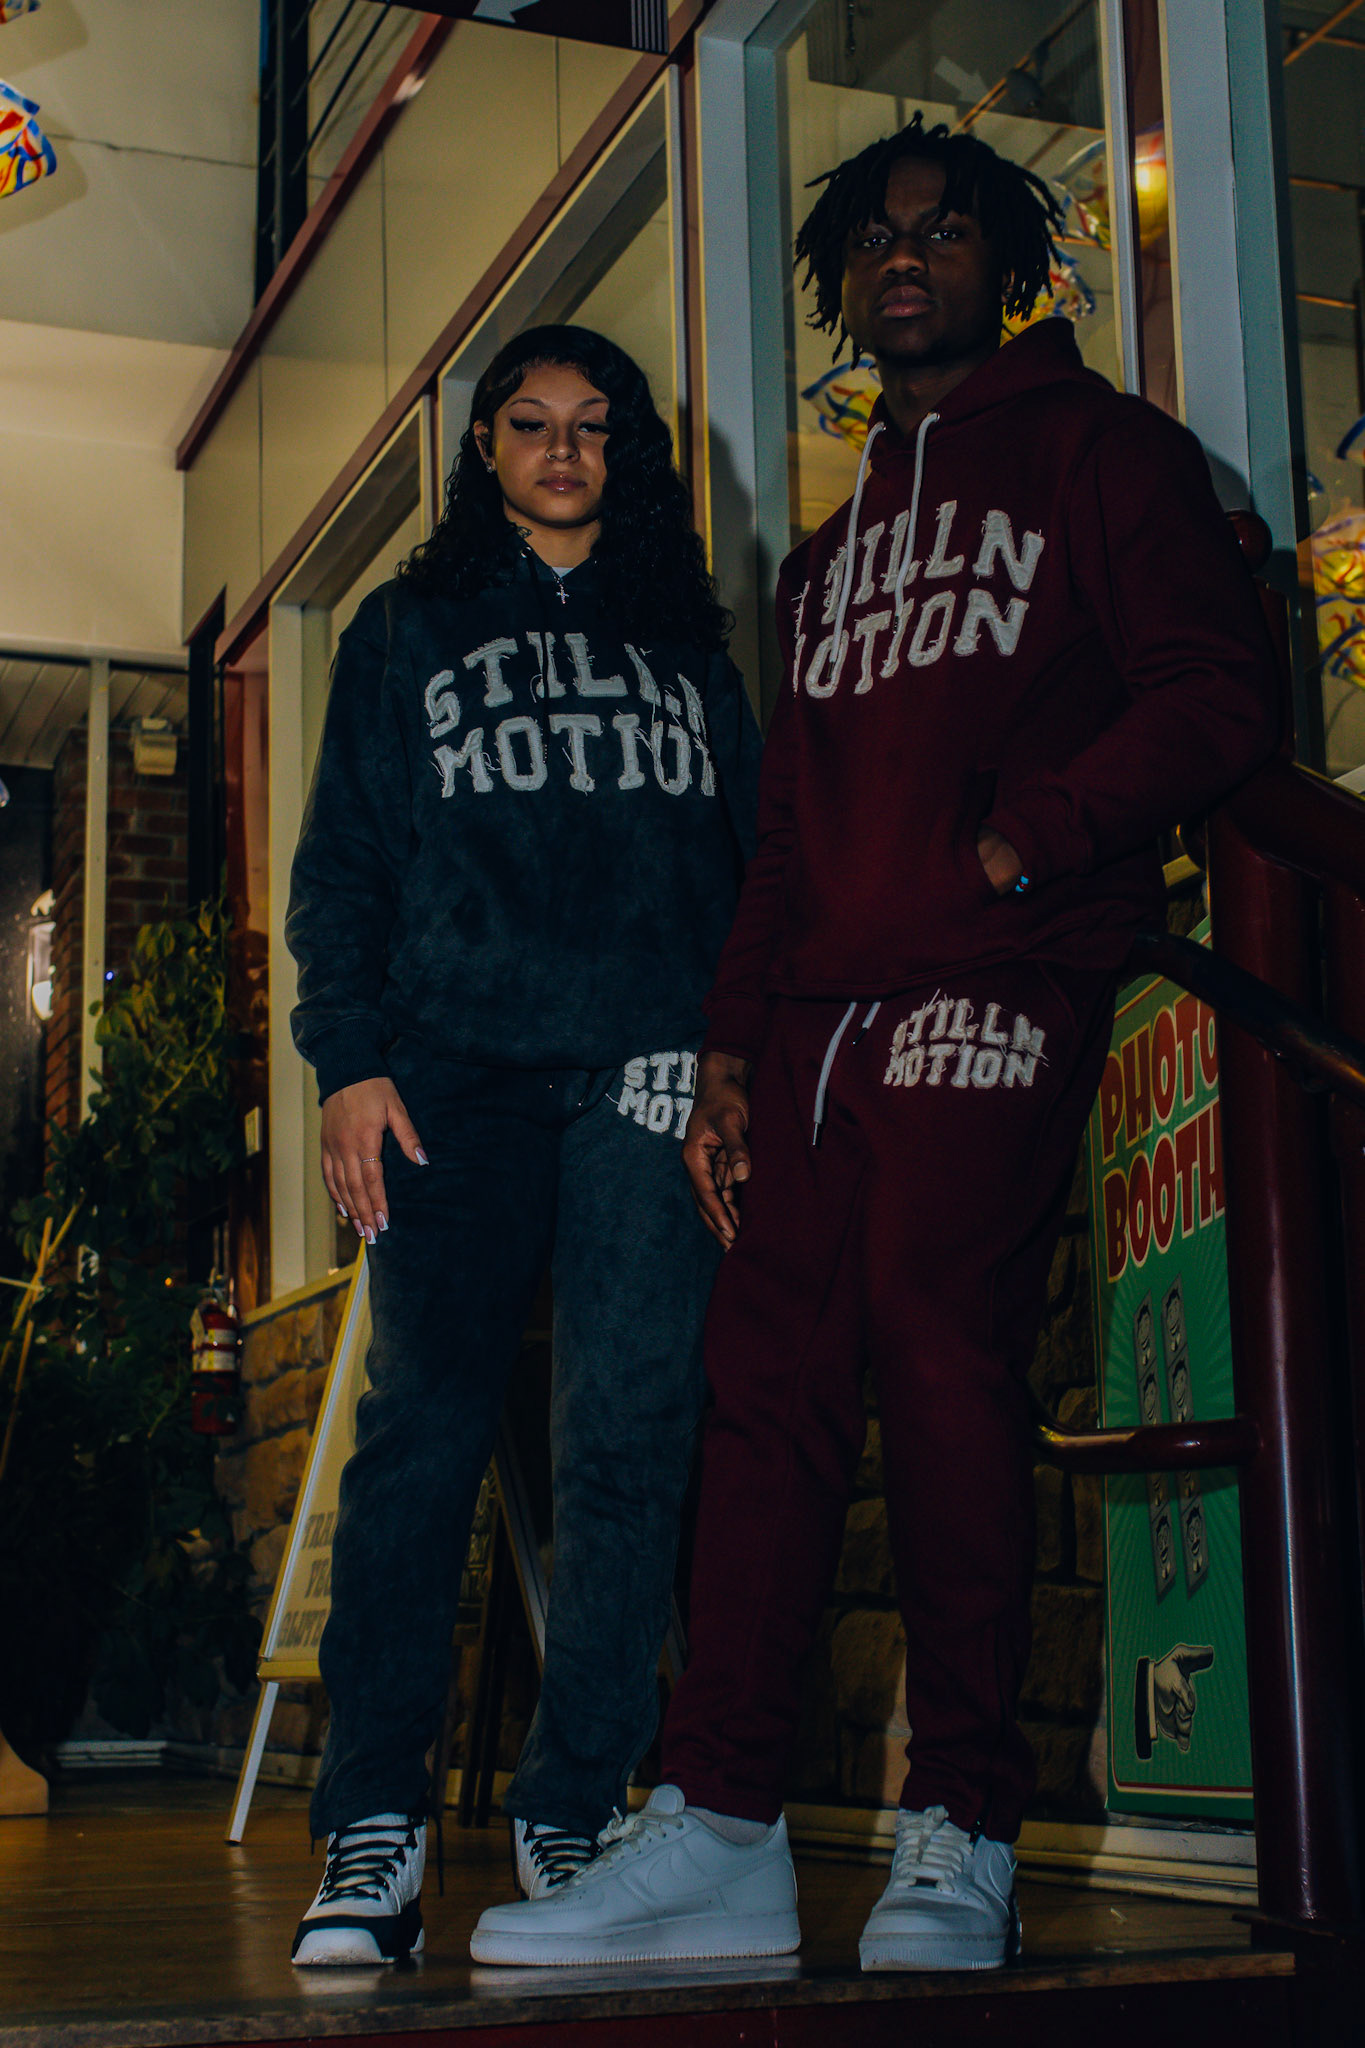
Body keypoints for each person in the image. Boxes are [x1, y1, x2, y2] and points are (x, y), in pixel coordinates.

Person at [469, 116, 1278, 1973]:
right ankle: (723, 1828)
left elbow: (1214, 688)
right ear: (844, 281)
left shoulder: (1104, 455)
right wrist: (730, 1049)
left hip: (996, 976)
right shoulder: (826, 561)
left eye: (945, 231)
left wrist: (1032, 835)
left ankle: (965, 1822)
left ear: (1009, 266)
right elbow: (785, 830)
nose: (904, 257)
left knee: (931, 1339)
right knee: (760, 1389)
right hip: (815, 1021)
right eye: (876, 238)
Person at [285, 323, 759, 1965]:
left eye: (593, 425)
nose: (563, 449)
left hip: (646, 1070)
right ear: (483, 448)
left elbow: (747, 867)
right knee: (419, 1439)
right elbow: (342, 869)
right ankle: (373, 1828)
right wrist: (349, 1064)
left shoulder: (686, 642)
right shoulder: (401, 630)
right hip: (450, 1077)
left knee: (626, 1439)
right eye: (530, 422)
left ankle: (576, 1806)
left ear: (630, 454)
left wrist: (731, 1062)